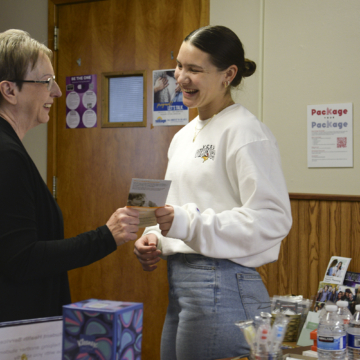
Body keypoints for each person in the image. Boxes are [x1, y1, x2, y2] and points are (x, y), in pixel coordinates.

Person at [134, 25, 292, 360]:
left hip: (222, 282)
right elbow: (178, 209)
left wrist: (185, 224)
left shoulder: (247, 132)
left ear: (228, 74)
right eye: (179, 66)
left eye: (194, 70)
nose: (180, 78)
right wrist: (154, 236)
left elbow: (272, 219)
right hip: (180, 280)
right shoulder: (184, 135)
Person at [0, 29, 140, 322]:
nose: (57, 92)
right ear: (9, 91)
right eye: (46, 81)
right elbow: (21, 259)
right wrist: (106, 237)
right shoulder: (6, 155)